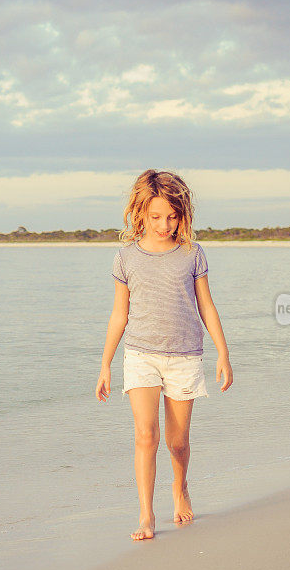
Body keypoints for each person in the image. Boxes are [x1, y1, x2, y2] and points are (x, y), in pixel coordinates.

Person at [95, 170, 233, 541]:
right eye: (156, 216)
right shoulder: (125, 257)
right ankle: (146, 516)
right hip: (140, 355)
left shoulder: (192, 254)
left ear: (182, 215)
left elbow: (207, 305)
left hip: (185, 356)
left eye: (172, 216)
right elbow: (119, 315)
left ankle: (180, 485)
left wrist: (223, 353)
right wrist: (106, 364)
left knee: (178, 442)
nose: (164, 224)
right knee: (145, 435)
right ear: (140, 213)